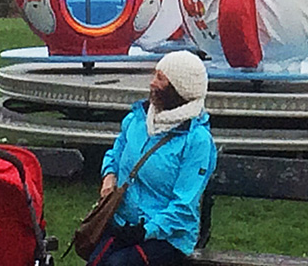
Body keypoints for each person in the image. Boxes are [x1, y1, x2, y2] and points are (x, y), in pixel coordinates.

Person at [87, 51, 217, 266]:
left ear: (178, 88)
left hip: (168, 236)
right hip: (122, 223)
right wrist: (109, 176)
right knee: (95, 262)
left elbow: (184, 206)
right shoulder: (137, 119)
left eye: (160, 78)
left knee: (117, 264)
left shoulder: (197, 141)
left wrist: (145, 231)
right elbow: (115, 153)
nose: (152, 83)